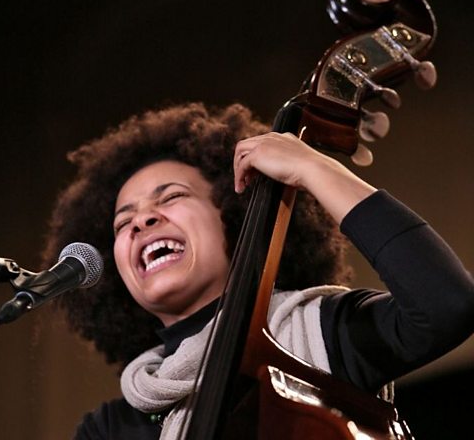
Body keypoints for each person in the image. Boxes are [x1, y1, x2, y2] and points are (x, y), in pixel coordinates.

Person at [42, 102, 474, 439]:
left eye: (170, 197)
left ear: (234, 216)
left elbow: (445, 305)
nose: (142, 220)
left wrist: (313, 168)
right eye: (123, 222)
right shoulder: (113, 428)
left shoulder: (324, 332)